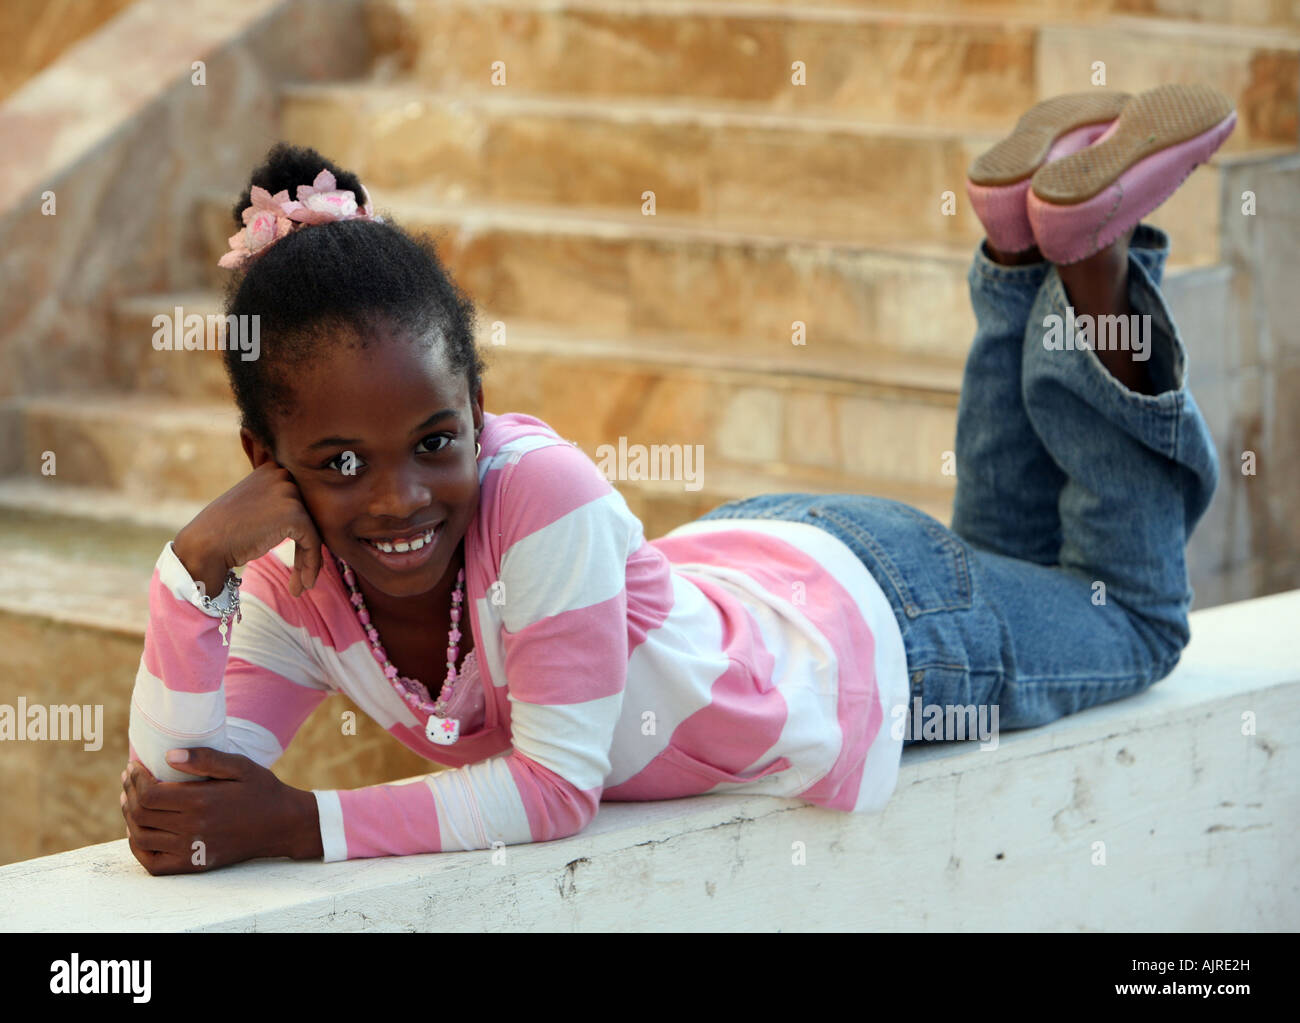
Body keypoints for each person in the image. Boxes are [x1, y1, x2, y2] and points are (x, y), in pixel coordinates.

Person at [121, 82, 1232, 875]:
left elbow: (554, 792)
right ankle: (1019, 245)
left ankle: (1089, 262)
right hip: (770, 568)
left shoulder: (535, 491)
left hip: (878, 625)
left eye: (435, 441)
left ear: (477, 410)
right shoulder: (278, 583)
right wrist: (193, 568)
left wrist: (302, 825)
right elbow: (177, 802)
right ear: (263, 465)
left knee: (1131, 617)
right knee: (1020, 559)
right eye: (340, 463)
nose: (401, 496)